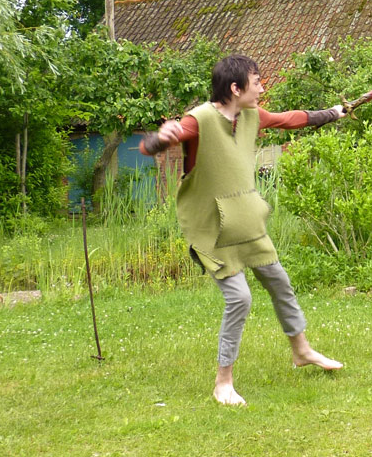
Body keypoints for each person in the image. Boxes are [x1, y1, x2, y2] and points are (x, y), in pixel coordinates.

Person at [140, 54, 344, 406]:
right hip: (211, 230)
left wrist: (332, 113)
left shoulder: (252, 116)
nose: (262, 88)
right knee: (240, 298)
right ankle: (223, 383)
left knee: (279, 282)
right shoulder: (199, 120)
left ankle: (302, 351)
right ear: (235, 88)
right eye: (257, 82)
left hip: (246, 222)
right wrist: (159, 138)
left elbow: (289, 119)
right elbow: (151, 145)